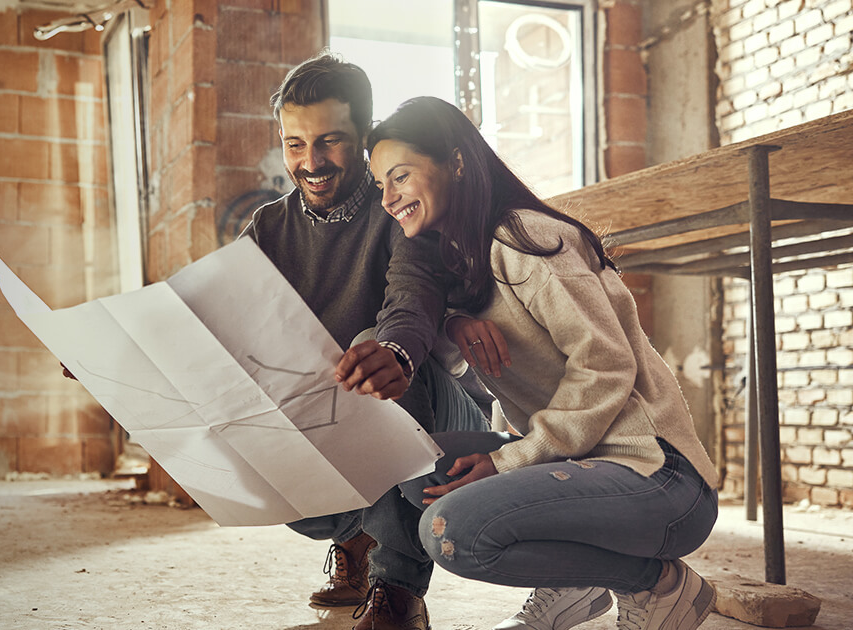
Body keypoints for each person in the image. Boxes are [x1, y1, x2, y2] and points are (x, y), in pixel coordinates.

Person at [365, 96, 721, 630]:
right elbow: (476, 373)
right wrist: (453, 322)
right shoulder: (460, 259)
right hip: (578, 466)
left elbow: (605, 367)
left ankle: (658, 585)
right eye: (380, 186)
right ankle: (575, 583)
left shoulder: (525, 241)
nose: (390, 198)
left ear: (456, 163)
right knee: (421, 470)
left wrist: (509, 463)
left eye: (401, 177)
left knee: (452, 532)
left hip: (658, 478)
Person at [241, 55, 489, 630]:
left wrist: (395, 352)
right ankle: (359, 536)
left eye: (331, 141)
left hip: (434, 405)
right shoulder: (266, 230)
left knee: (369, 346)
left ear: (364, 137)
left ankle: (398, 584)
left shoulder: (399, 209)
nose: (312, 162)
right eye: (295, 144)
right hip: (329, 417)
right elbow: (221, 321)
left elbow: (412, 298)